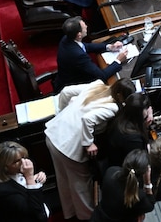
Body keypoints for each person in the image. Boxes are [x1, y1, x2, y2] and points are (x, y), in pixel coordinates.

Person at [46, 79, 133, 220]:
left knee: (63, 179)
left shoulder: (97, 85)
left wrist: (62, 113)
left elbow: (65, 92)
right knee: (81, 186)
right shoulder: (113, 108)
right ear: (122, 97)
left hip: (54, 133)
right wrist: (88, 143)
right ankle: (87, 217)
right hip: (69, 147)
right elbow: (88, 119)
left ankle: (70, 213)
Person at [0, 141, 49, 222]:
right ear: (5, 166)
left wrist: (36, 180)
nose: (24, 163)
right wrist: (30, 178)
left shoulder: (17, 171)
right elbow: (40, 216)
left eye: (23, 157)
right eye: (16, 161)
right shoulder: (5, 194)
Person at [56, 16, 130, 89]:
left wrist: (110, 47)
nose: (86, 26)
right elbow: (101, 76)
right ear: (79, 35)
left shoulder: (67, 38)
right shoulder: (78, 55)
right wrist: (118, 60)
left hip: (66, 76)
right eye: (84, 27)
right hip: (77, 85)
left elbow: (85, 46)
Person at [93, 149, 155, 222]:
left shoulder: (111, 171)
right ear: (144, 173)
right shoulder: (138, 195)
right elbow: (150, 206)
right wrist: (147, 183)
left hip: (99, 217)